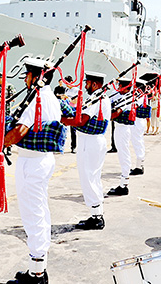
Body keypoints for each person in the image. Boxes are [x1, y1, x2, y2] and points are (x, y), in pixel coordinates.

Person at [0, 58, 65, 284]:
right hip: (43, 161)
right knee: (40, 213)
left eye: (28, 75)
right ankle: (38, 267)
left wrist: (1, 141)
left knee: (32, 216)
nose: (25, 79)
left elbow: (20, 130)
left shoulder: (37, 98)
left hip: (31, 164)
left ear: (38, 77)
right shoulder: (52, 97)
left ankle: (36, 275)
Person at [61, 71, 111, 230]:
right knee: (94, 177)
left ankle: (96, 217)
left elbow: (82, 120)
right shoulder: (105, 98)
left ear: (95, 84)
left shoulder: (96, 98)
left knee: (88, 178)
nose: (85, 85)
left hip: (89, 143)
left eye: (87, 82)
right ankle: (97, 213)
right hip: (96, 141)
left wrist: (63, 119)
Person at [107, 78, 134, 196]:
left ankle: (124, 185)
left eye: (120, 85)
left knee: (124, 154)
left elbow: (116, 113)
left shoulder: (128, 99)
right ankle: (124, 182)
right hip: (118, 128)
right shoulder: (120, 96)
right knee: (122, 153)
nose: (118, 88)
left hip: (123, 129)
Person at [0, 73, 17, 156]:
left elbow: (13, 98)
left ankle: (8, 148)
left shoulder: (9, 86)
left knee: (7, 129)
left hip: (6, 111)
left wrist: (4, 100)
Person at [129, 79, 149, 176]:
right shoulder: (143, 96)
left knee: (137, 142)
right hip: (140, 121)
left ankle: (139, 167)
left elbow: (134, 106)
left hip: (137, 121)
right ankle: (139, 165)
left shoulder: (140, 97)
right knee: (138, 142)